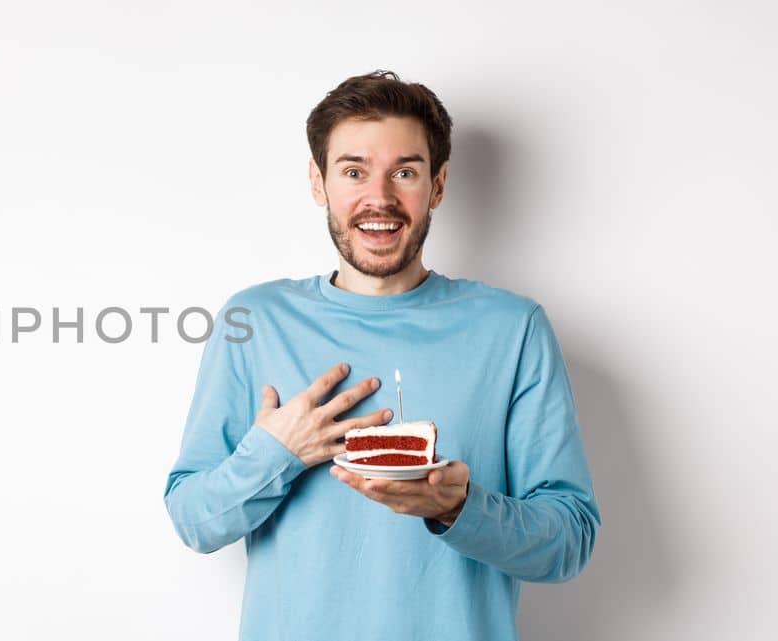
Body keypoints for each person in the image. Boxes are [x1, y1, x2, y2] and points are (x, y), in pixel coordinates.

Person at [162, 70, 599, 641]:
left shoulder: (513, 330)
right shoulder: (254, 322)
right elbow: (194, 521)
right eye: (353, 171)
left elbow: (570, 541)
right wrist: (277, 452)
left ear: (438, 185)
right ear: (319, 183)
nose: (380, 198)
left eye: (405, 172)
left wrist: (459, 508)